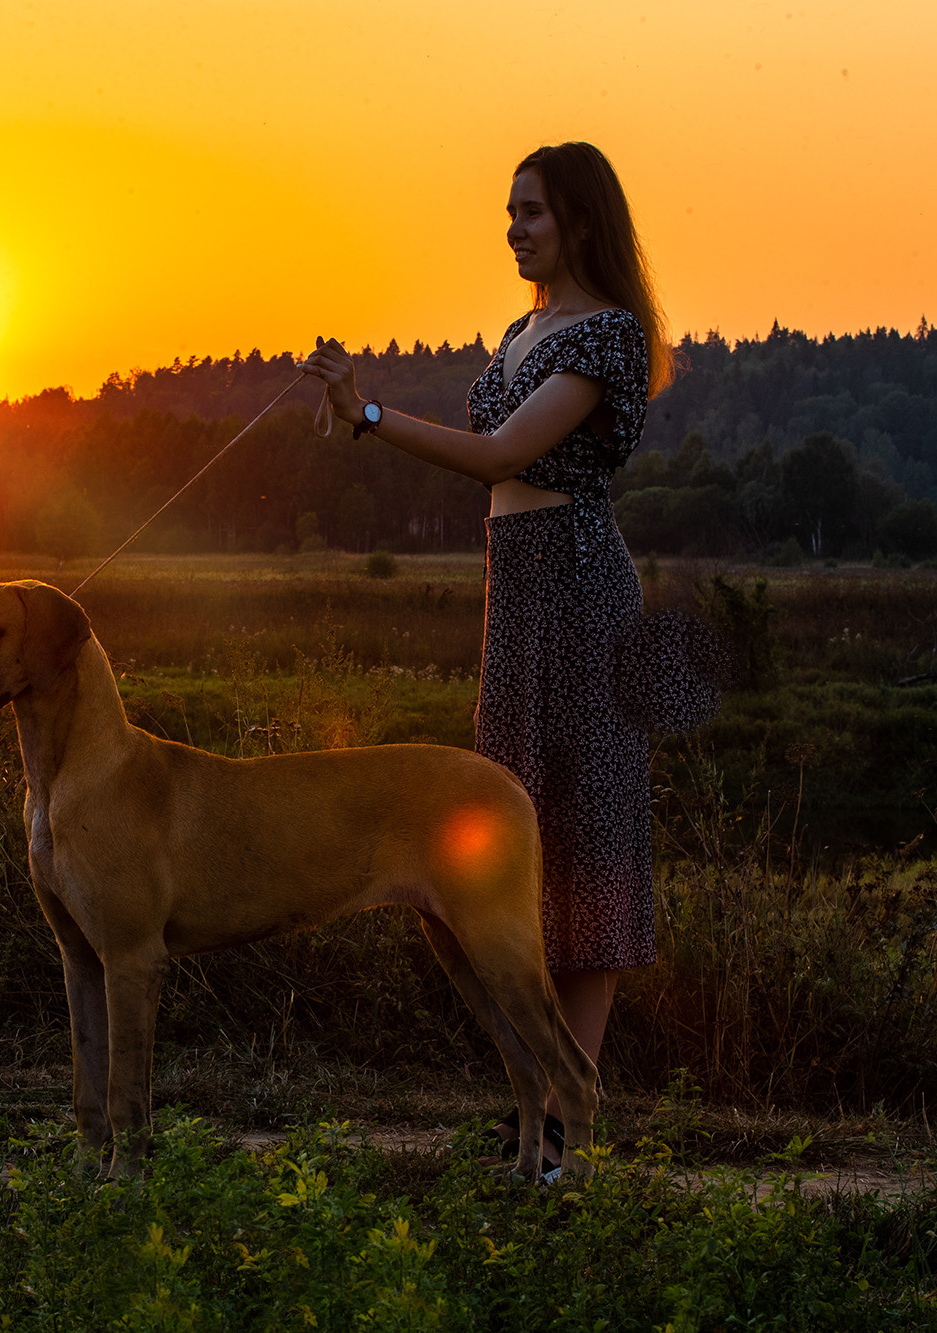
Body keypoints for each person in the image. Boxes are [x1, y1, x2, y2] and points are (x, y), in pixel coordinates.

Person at [298, 141, 716, 1176]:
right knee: (503, 846)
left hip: (577, 587)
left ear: (577, 221)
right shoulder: (523, 329)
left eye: (529, 211)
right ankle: (537, 1107)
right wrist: (360, 410)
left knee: (581, 834)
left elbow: (498, 456)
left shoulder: (610, 336)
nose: (512, 228)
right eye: (507, 210)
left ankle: (569, 1125)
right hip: (515, 586)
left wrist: (370, 416)